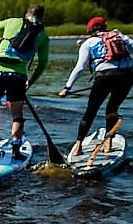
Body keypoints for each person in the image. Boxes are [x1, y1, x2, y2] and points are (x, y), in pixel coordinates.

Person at [57, 15, 133, 160]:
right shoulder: (119, 36)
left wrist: (67, 87)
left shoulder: (89, 42)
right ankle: (108, 143)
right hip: (127, 76)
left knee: (91, 110)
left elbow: (80, 68)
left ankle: (78, 146)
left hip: (104, 76)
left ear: (90, 29)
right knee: (112, 109)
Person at [0, 4, 49, 159]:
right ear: (41, 17)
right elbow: (43, 63)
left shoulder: (12, 21)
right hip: (18, 76)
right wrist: (30, 81)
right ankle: (16, 151)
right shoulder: (43, 35)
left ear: (26, 14)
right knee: (17, 116)